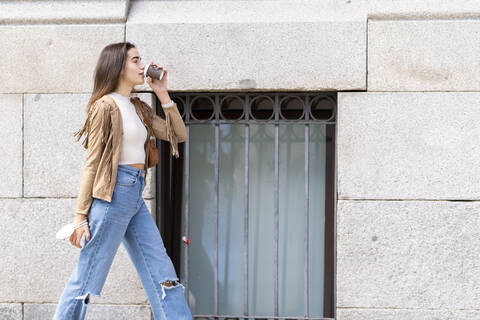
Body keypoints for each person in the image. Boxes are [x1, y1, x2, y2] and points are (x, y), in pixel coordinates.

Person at [53, 42, 192, 320]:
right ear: (118, 66)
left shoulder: (138, 107)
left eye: (141, 61)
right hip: (112, 195)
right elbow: (92, 163)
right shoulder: (105, 106)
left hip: (134, 196)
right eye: (136, 60)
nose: (143, 66)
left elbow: (178, 134)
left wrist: (163, 94)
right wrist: (80, 216)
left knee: (161, 270)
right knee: (88, 275)